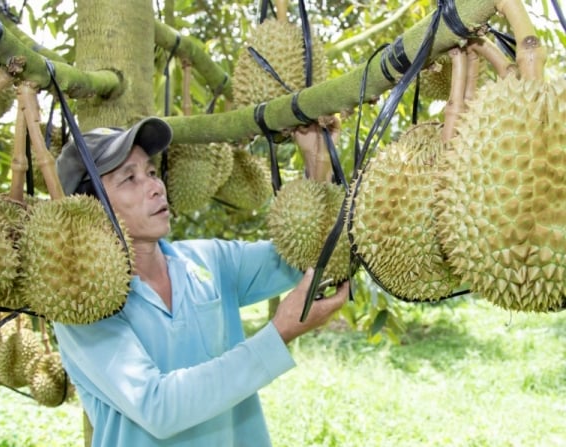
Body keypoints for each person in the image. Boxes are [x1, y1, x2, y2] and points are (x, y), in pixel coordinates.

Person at [53, 117, 350, 447]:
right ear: (91, 207)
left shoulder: (208, 260)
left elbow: (298, 253)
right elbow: (158, 407)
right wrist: (279, 333)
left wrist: (317, 161)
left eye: (151, 173)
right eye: (129, 179)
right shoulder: (81, 305)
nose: (155, 186)